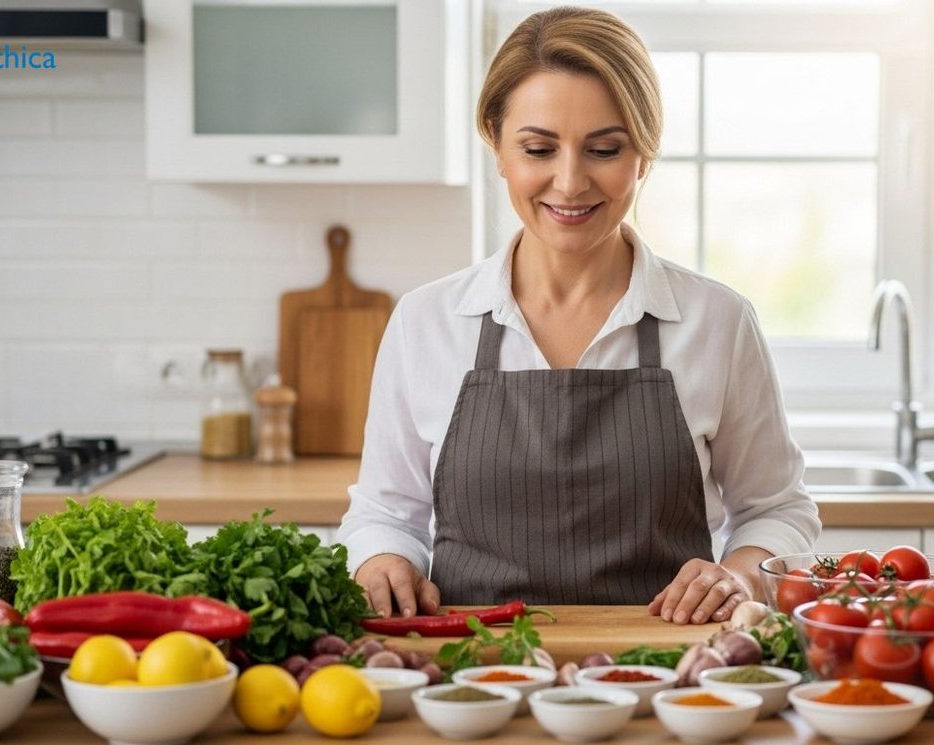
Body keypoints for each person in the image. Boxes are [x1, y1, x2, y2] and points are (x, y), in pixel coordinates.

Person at [337, 5, 820, 626]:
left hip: (667, 678)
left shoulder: (717, 321)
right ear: (497, 147)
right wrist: (382, 559)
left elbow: (777, 509)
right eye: (539, 148)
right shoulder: (425, 321)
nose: (569, 182)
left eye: (604, 149)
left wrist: (740, 576)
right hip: (469, 676)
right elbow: (384, 513)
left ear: (644, 154)